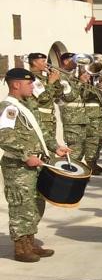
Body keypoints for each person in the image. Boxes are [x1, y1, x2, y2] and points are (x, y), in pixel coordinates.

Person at [0, 68, 72, 262]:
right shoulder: (9, 108)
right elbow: (4, 137)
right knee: (21, 205)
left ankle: (30, 243)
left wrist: (55, 147)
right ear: (16, 84)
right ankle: (20, 248)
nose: (33, 86)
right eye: (29, 83)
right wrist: (25, 156)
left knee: (35, 204)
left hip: (37, 164)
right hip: (19, 167)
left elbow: (40, 133)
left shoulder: (27, 106)